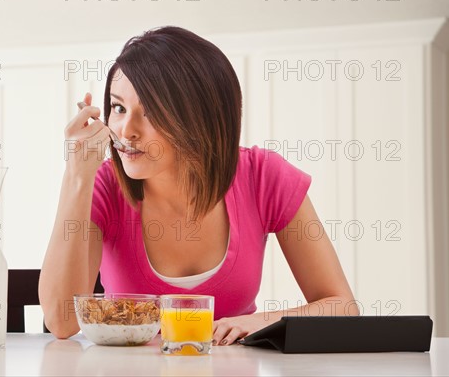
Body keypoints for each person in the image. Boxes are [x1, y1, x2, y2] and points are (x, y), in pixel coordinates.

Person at [39, 26, 358, 346]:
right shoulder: (103, 184)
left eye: (151, 113)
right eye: (119, 108)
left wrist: (259, 321)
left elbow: (342, 306)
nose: (126, 130)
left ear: (198, 118)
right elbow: (61, 322)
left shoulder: (263, 176)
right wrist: (77, 177)